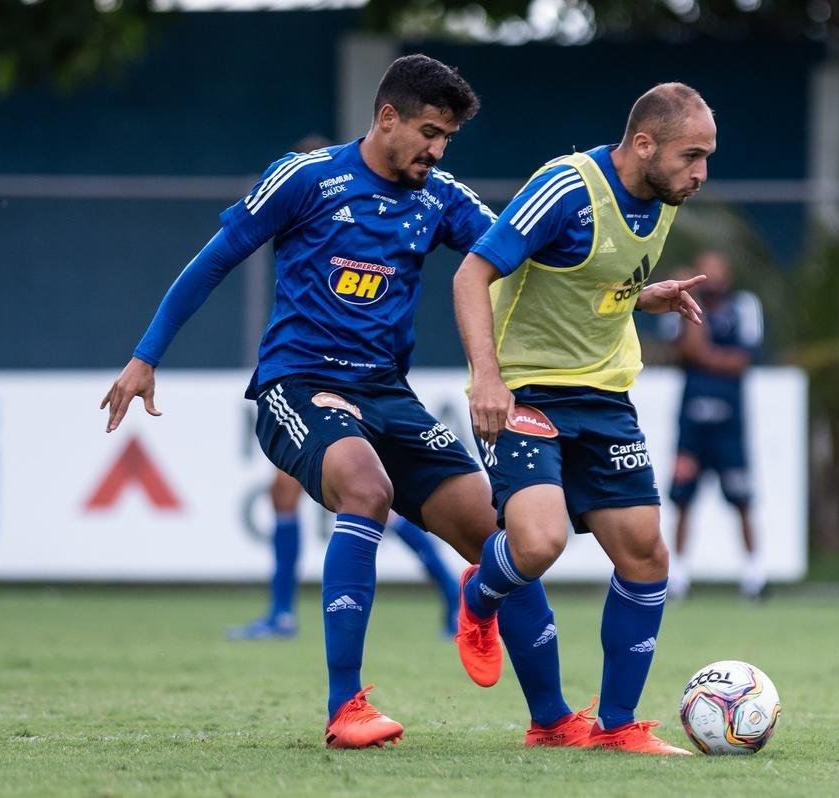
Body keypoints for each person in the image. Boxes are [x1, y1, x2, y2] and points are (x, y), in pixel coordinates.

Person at [101, 54, 586, 749]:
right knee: (366, 488)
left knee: (500, 535)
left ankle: (552, 719)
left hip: (388, 396)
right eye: (428, 131)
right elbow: (215, 257)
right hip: (297, 386)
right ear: (386, 117)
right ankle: (345, 707)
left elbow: (519, 256)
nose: (437, 149)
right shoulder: (305, 178)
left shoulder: (439, 196)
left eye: (447, 137)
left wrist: (623, 293)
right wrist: (146, 355)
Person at [451, 82, 714, 756]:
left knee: (645, 551)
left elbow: (591, 279)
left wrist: (640, 294)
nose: (700, 173)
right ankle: (480, 595)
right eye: (691, 156)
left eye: (707, 158)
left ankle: (618, 726)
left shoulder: (663, 197)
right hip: (525, 391)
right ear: (645, 144)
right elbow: (471, 274)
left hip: (604, 395)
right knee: (537, 545)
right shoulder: (566, 187)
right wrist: (486, 376)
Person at [226, 469, 460, 640]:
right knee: (283, 490)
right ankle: (281, 613)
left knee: (367, 497)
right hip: (309, 401)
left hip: (339, 404)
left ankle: (453, 594)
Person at [666, 250, 765, 602]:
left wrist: (707, 357)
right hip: (692, 423)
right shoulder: (680, 304)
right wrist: (708, 352)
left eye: (717, 272)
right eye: (705, 272)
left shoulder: (745, 306)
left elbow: (740, 361)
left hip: (730, 423)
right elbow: (684, 351)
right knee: (682, 499)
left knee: (742, 499)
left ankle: (754, 577)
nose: (713, 279)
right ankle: (677, 578)